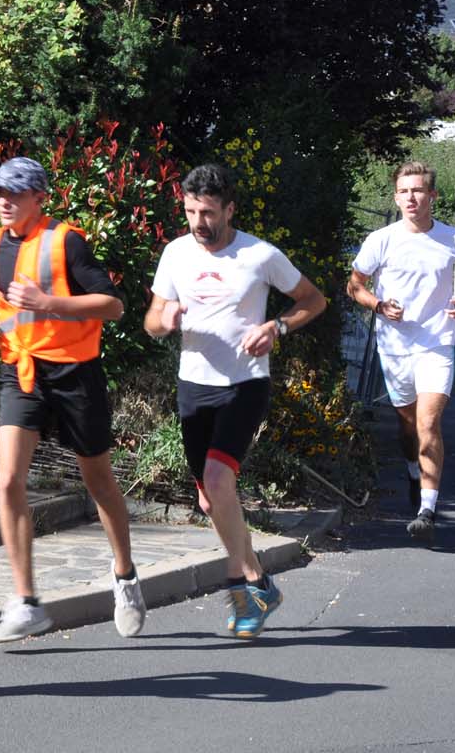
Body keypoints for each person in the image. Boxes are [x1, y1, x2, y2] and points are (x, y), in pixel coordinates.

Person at [145, 164, 327, 638]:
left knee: (217, 478)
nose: (198, 222)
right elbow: (152, 319)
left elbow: (313, 299)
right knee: (210, 500)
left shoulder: (261, 255)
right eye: (190, 211)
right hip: (193, 385)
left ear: (230, 209)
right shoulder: (176, 253)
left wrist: (278, 326)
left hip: (244, 386)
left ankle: (246, 594)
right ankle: (262, 582)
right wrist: (165, 321)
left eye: (207, 212)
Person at [0, 156, 147, 643]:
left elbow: (112, 305)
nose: (3, 202)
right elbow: (0, 308)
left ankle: (125, 575)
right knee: (7, 479)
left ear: (39, 199)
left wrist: (50, 304)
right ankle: (26, 601)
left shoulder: (64, 241)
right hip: (23, 374)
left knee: (98, 480)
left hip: (75, 374)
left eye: (14, 194)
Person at [347, 161, 455, 547]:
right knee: (407, 428)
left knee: (428, 424)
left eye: (419, 190)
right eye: (404, 191)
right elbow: (354, 285)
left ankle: (427, 510)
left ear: (432, 196)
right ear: (396, 197)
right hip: (395, 346)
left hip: (437, 342)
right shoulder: (381, 240)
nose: (411, 197)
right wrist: (377, 305)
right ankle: (413, 470)